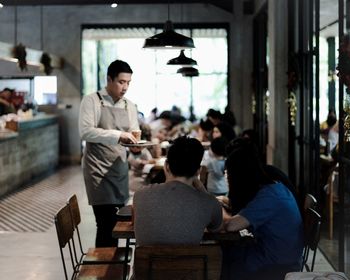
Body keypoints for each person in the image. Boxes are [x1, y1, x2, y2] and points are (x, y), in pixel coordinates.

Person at [221, 137, 304, 280]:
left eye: (229, 175)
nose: (227, 178)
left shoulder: (269, 196)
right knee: (228, 251)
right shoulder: (273, 187)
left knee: (224, 256)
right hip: (283, 255)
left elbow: (231, 225)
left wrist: (217, 212)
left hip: (278, 263)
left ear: (241, 175)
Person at [78, 59, 139, 247]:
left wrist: (135, 145)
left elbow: (133, 133)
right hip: (98, 171)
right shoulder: (92, 100)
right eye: (121, 82)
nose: (125, 87)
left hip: (119, 170)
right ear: (109, 79)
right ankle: (106, 270)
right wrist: (119, 135)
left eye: (128, 82)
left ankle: (115, 266)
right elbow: (85, 132)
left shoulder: (130, 105)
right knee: (105, 224)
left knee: (121, 223)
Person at [133, 136, 223, 246]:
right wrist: (201, 188)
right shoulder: (210, 203)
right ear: (198, 171)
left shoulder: (140, 195)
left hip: (148, 263)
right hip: (189, 263)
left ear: (166, 166)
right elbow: (216, 229)